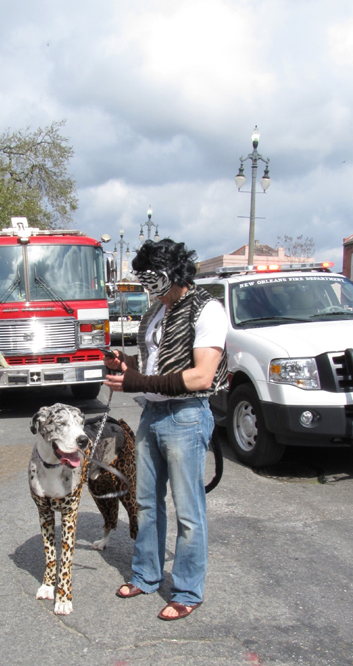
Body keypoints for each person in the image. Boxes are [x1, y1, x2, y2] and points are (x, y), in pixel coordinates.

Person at [104, 239, 228, 621]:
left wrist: (139, 382)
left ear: (173, 273)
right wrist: (127, 365)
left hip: (186, 415)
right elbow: (153, 365)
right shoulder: (157, 310)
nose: (147, 289)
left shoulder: (207, 309)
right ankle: (145, 574)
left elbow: (201, 375)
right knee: (145, 502)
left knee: (189, 511)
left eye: (152, 280)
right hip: (152, 416)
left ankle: (188, 590)